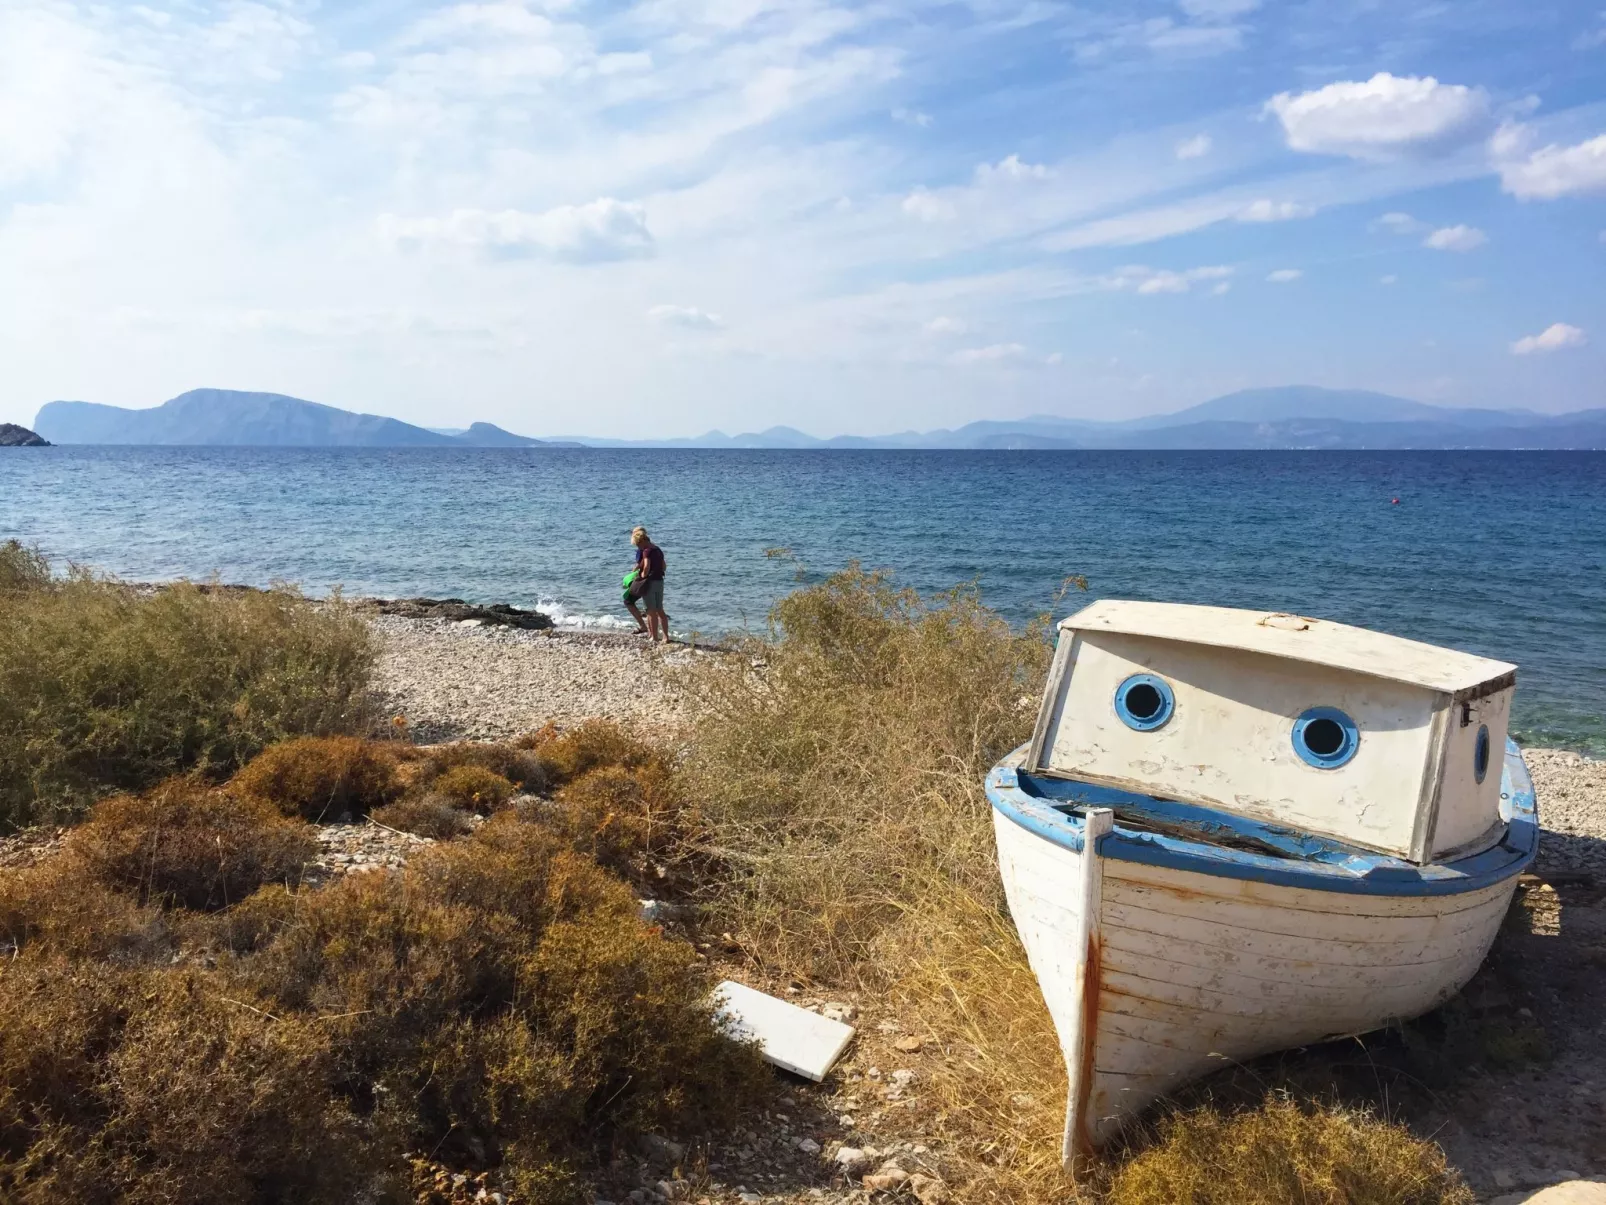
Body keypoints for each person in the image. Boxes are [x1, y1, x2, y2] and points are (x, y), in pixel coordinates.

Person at [625, 525, 669, 642]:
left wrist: (641, 578)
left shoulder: (646, 551)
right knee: (660, 610)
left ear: (642, 541)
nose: (638, 547)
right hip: (660, 581)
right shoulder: (658, 549)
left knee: (650, 611)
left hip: (649, 582)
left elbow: (646, 568)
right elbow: (664, 566)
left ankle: (653, 636)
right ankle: (665, 637)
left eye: (638, 545)